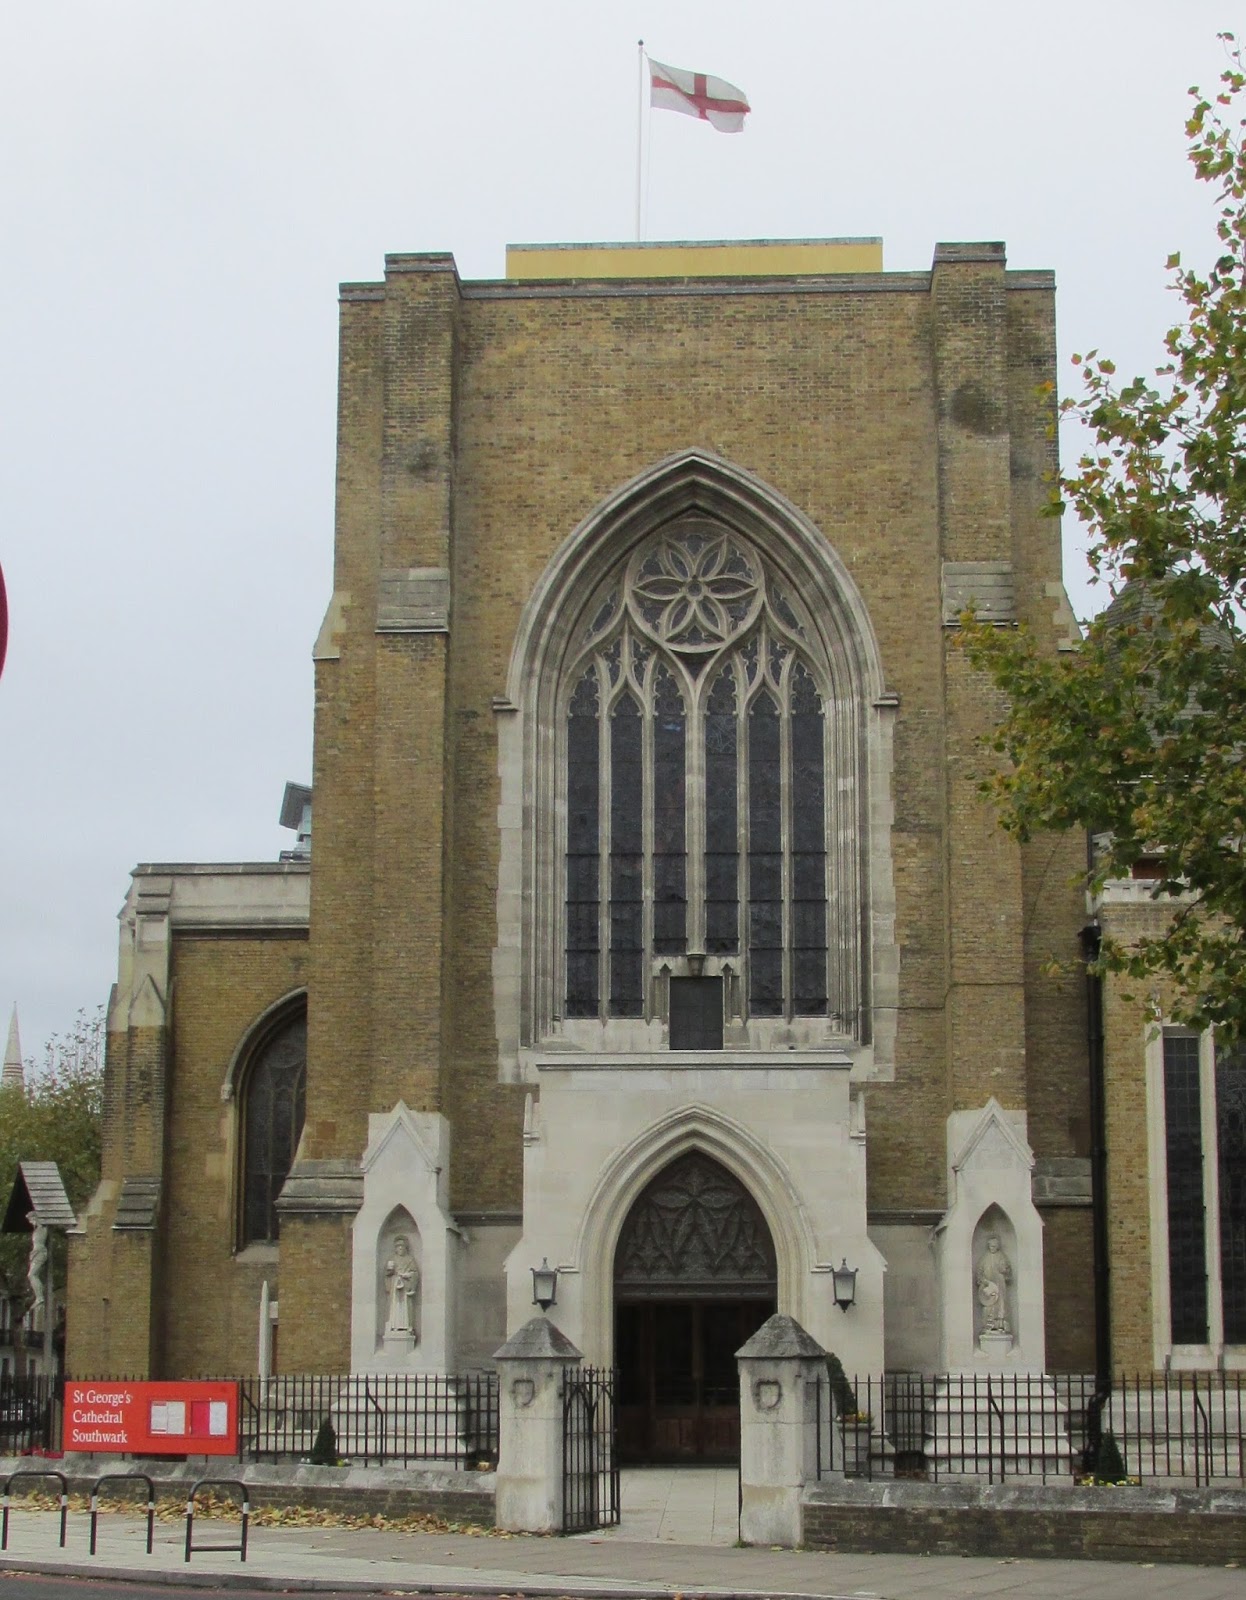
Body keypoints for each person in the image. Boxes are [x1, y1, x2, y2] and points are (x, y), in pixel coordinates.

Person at [976, 1233, 1012, 1336]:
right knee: (989, 1305)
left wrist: (1004, 1270)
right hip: (988, 1286)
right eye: (991, 1246)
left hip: (1000, 1284)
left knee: (1001, 1304)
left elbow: (1008, 1271)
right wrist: (983, 1281)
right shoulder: (984, 1258)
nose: (993, 1248)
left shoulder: (1002, 1256)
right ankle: (989, 1326)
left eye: (995, 1246)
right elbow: (979, 1272)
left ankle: (1000, 1325)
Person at [384, 1235, 419, 1338]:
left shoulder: (410, 1259)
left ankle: (407, 1326)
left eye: (402, 1247)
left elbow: (415, 1273)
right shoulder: (392, 1259)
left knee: (405, 1307)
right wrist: (390, 1271)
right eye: (398, 1247)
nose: (400, 1249)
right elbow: (386, 1274)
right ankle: (394, 1326)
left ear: (405, 1248)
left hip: (405, 1287)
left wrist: (409, 1276)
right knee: (395, 1307)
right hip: (395, 1286)